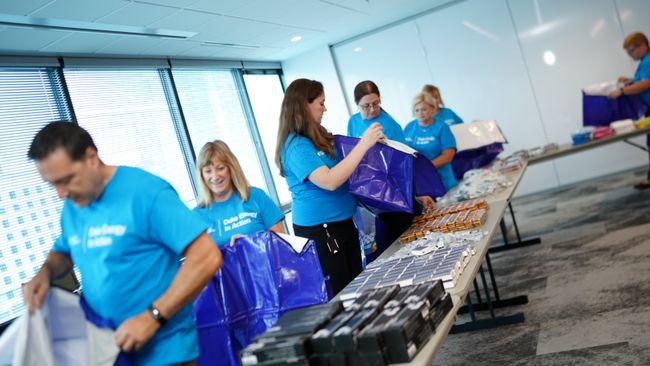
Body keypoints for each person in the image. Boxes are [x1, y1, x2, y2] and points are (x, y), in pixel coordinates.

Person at [23, 121, 222, 365]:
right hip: (109, 350)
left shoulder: (146, 192)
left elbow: (207, 256)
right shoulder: (73, 206)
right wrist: (44, 273)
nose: (60, 193)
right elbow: (64, 252)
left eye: (66, 180)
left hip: (165, 352)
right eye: (52, 184)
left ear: (91, 157)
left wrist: (152, 317)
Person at [275, 78, 383, 296]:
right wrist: (364, 144)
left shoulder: (318, 134)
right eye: (321, 103)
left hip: (342, 222)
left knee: (355, 284)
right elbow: (330, 180)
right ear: (304, 105)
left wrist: (371, 146)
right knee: (342, 292)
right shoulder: (295, 145)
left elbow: (347, 164)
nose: (325, 108)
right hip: (322, 229)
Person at [193, 140, 285, 247]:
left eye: (220, 168)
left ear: (231, 168)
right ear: (201, 175)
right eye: (208, 171)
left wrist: (251, 242)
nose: (215, 176)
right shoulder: (196, 216)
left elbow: (283, 243)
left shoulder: (256, 196)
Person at [608, 32, 650, 190]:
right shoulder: (644, 61)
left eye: (631, 51)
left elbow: (646, 84)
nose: (630, 55)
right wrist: (629, 81)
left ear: (642, 45)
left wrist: (623, 91)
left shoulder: (648, 61)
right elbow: (641, 80)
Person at [404, 92, 458, 191]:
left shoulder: (442, 127)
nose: (420, 113)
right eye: (417, 110)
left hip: (443, 181)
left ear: (432, 108)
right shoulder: (409, 127)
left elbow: (448, 156)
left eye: (424, 109)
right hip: (422, 183)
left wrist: (426, 168)